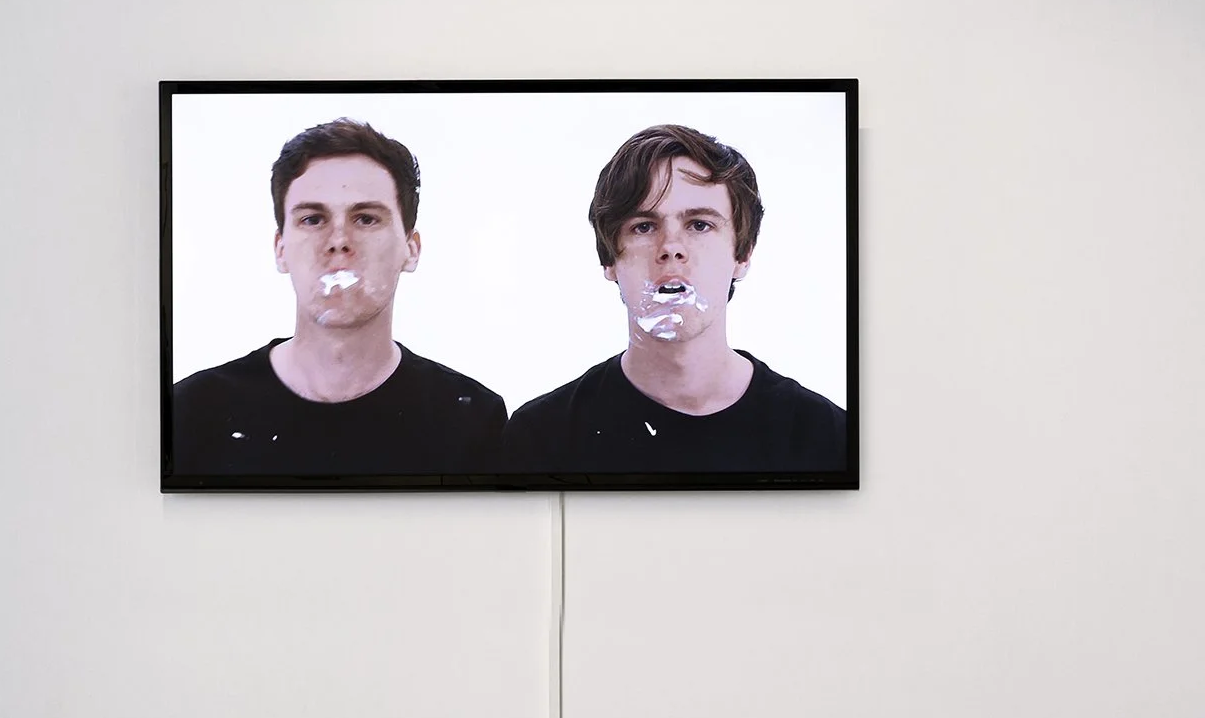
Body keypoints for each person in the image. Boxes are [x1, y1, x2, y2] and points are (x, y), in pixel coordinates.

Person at [170, 118, 506, 478]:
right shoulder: (191, 414)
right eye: (313, 219)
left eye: (366, 219)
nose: (339, 240)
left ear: (411, 249)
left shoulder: (470, 420)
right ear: (280, 250)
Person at [504, 123, 847, 475]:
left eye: (699, 225)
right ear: (609, 260)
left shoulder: (828, 438)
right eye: (643, 226)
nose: (670, 248)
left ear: (742, 255)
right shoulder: (540, 438)